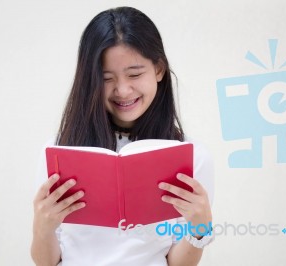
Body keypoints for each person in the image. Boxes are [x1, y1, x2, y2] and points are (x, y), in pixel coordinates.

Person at [31, 6, 214, 266]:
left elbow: (178, 264)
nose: (123, 90)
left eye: (135, 74)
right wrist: (43, 227)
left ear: (159, 69)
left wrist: (200, 228)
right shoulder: (59, 152)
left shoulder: (192, 158)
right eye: (106, 78)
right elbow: (46, 262)